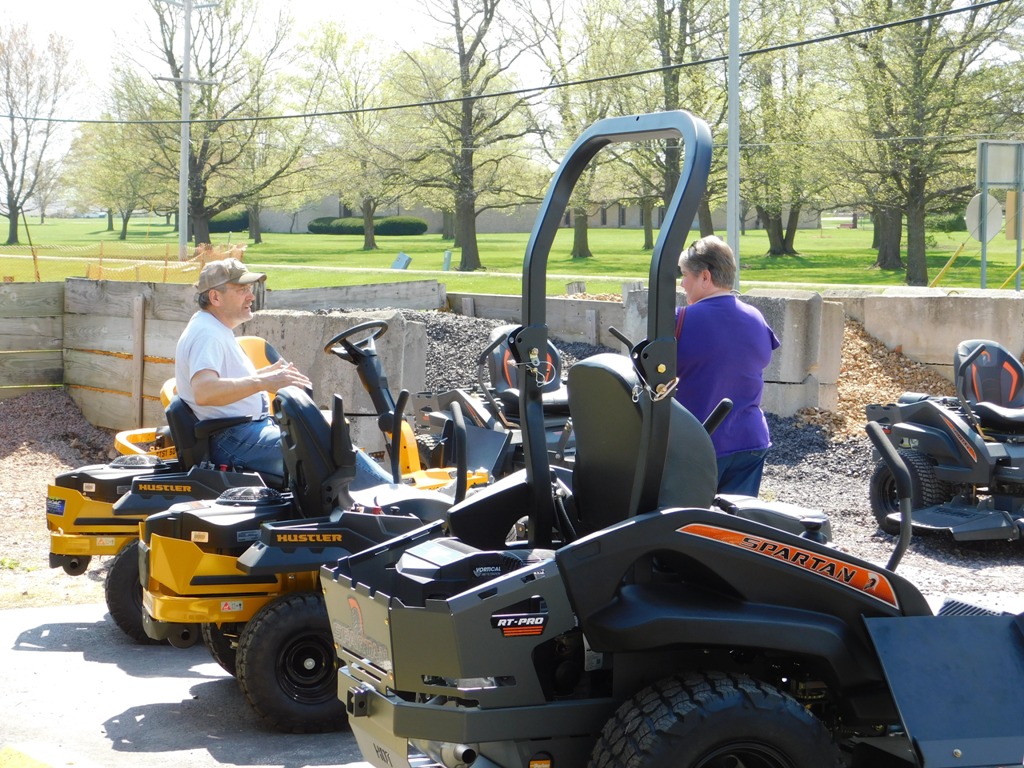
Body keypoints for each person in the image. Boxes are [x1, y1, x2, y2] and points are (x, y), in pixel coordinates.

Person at [176, 257, 392, 488]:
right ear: (215, 297)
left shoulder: (213, 328)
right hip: (233, 439)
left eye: (249, 289)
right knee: (330, 450)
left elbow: (218, 382)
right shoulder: (207, 334)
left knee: (328, 441)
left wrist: (265, 375)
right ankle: (397, 494)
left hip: (241, 433)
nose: (251, 296)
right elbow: (204, 391)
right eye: (241, 290)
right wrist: (262, 381)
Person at [673, 235, 780, 497]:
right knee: (735, 520)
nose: (682, 284)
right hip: (750, 440)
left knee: (691, 519)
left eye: (685, 275)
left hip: (698, 442)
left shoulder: (679, 320)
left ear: (705, 277)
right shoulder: (756, 317)